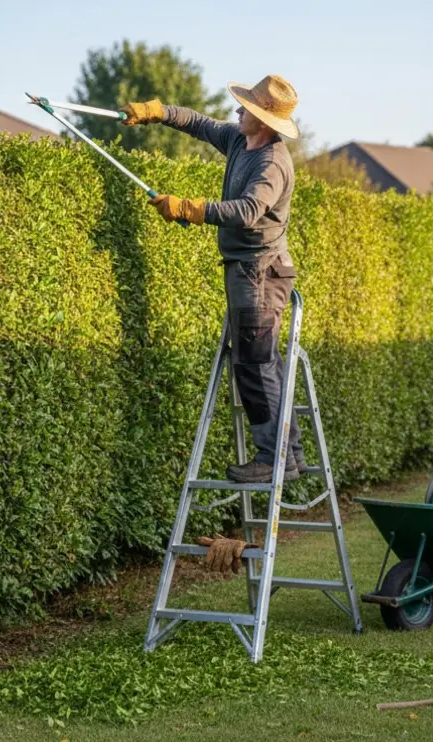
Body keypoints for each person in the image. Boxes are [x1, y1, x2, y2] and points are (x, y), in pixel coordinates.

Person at [120, 75, 306, 484]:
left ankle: (272, 459)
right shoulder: (241, 141)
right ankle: (289, 456)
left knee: (254, 368)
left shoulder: (272, 163)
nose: (238, 111)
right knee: (265, 366)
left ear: (265, 122)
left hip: (259, 274)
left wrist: (189, 207)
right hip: (250, 270)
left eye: (247, 109)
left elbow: (247, 211)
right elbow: (199, 123)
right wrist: (157, 113)